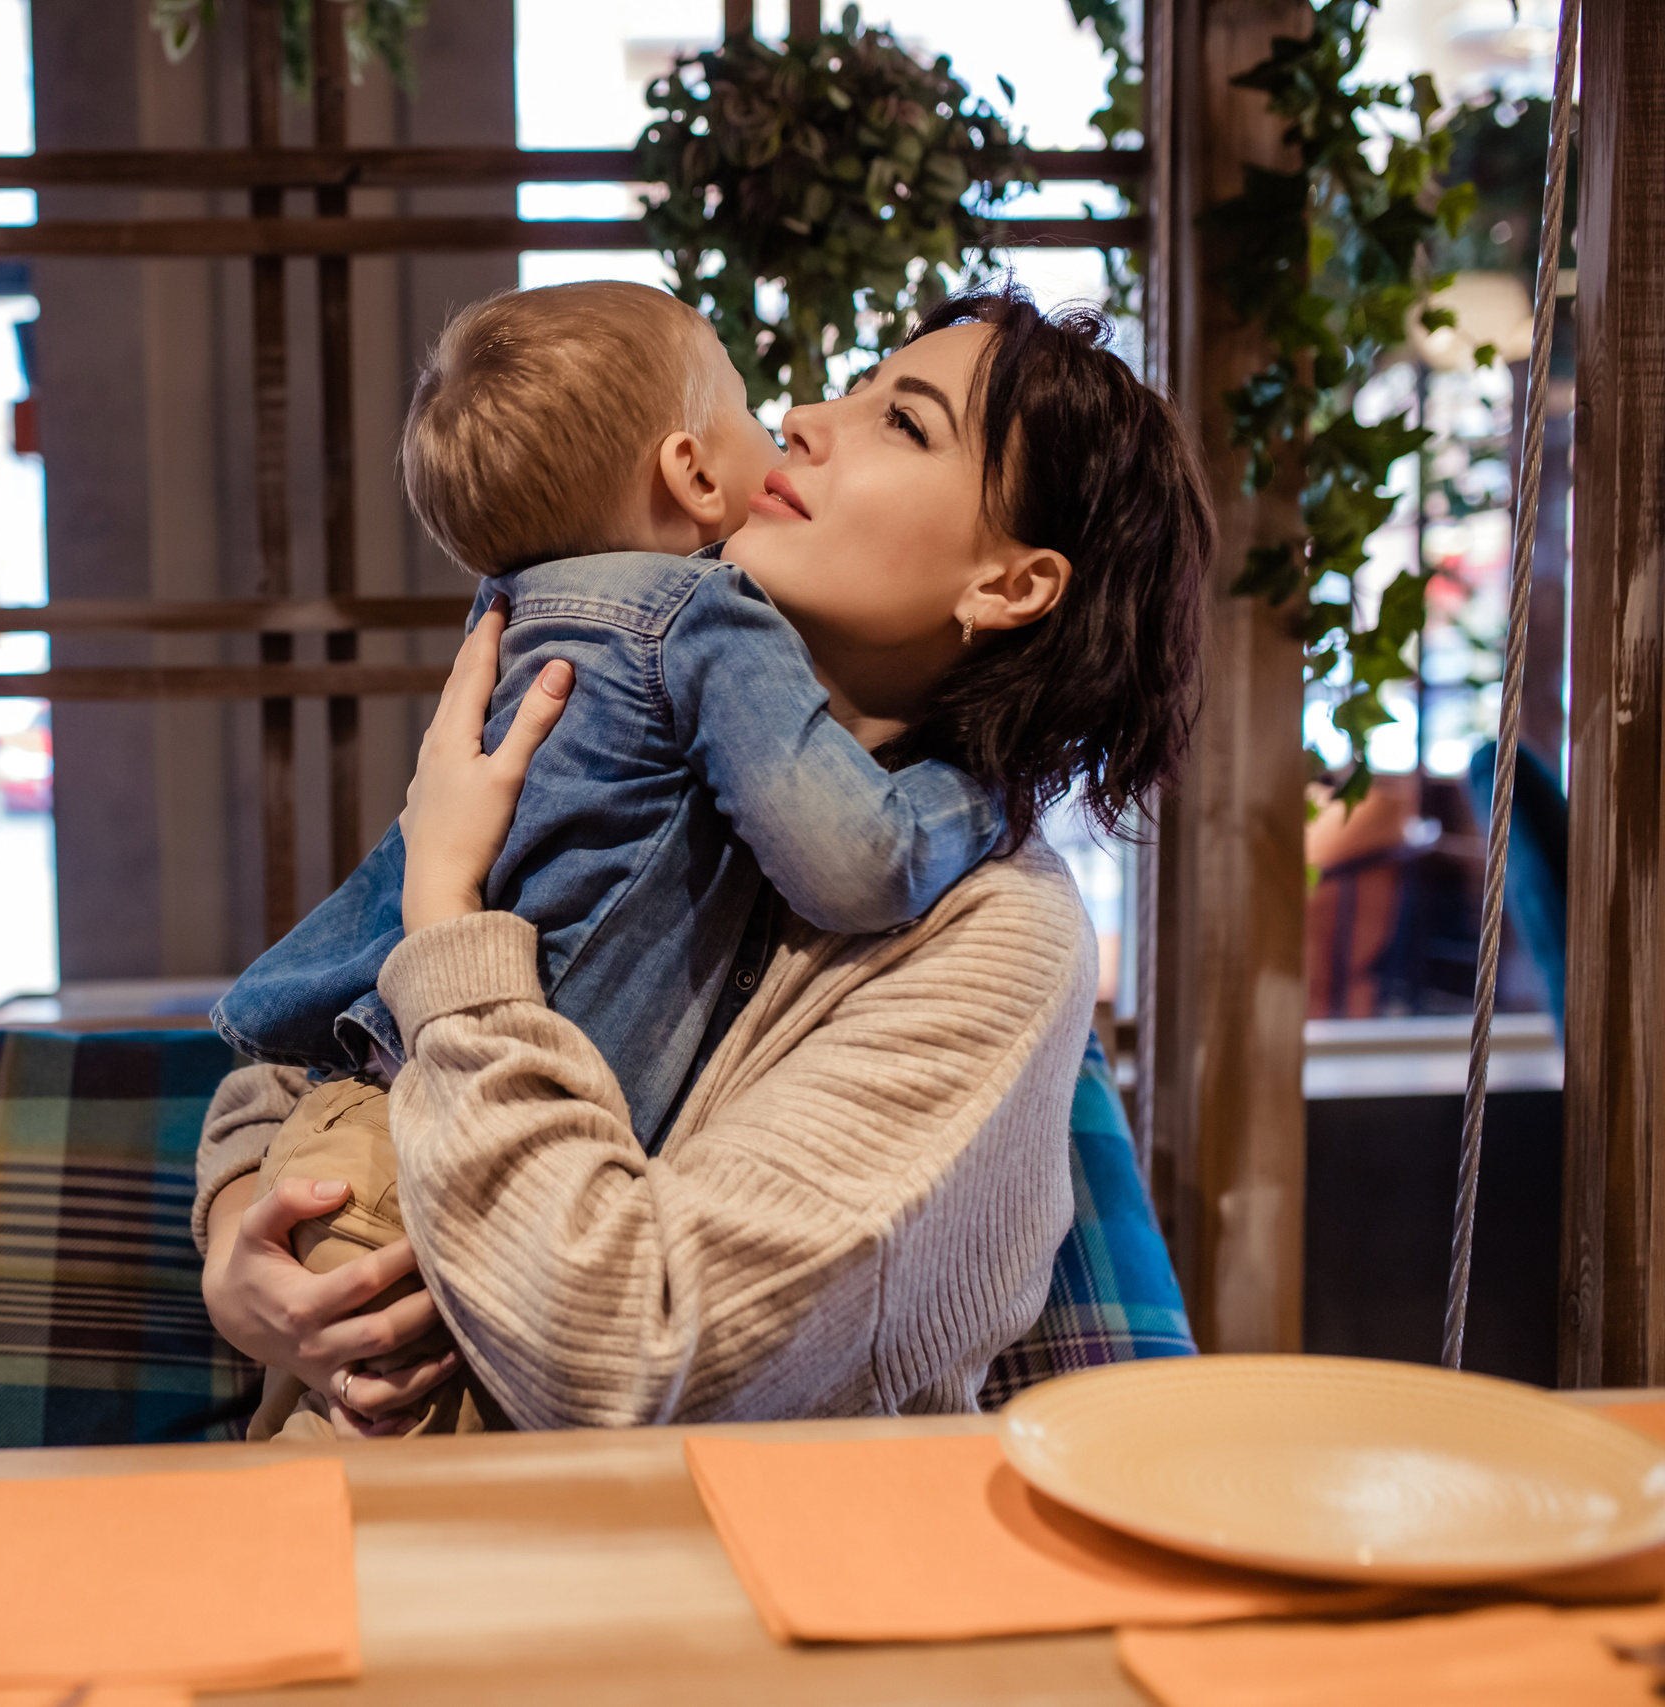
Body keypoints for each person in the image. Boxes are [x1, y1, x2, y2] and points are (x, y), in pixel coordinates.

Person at [196, 288, 1213, 1435]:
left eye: (905, 423)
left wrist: (446, 919)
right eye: (856, 385)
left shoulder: (992, 929)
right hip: (374, 1531)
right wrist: (242, 1246)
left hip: (701, 1577)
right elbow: (320, 1026)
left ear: (1008, 584)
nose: (808, 415)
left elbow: (626, 1354)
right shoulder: (618, 734)